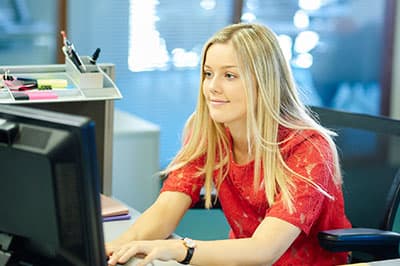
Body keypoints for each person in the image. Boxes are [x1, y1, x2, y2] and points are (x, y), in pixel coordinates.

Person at [106, 23, 351, 266]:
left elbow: (264, 250)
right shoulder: (209, 132)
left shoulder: (309, 148)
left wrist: (179, 249)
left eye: (230, 76)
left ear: (263, 83)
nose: (212, 87)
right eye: (208, 73)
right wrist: (113, 250)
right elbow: (165, 210)